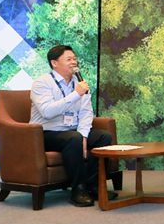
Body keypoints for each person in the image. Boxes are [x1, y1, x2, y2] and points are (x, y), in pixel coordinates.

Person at [30, 45, 115, 207]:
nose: (74, 62)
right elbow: (47, 112)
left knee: (103, 137)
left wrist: (84, 136)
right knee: (73, 138)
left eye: (74, 59)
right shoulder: (42, 83)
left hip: (72, 132)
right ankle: (78, 189)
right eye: (68, 59)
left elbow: (86, 112)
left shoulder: (79, 82)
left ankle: (94, 186)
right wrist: (76, 94)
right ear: (54, 63)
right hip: (45, 133)